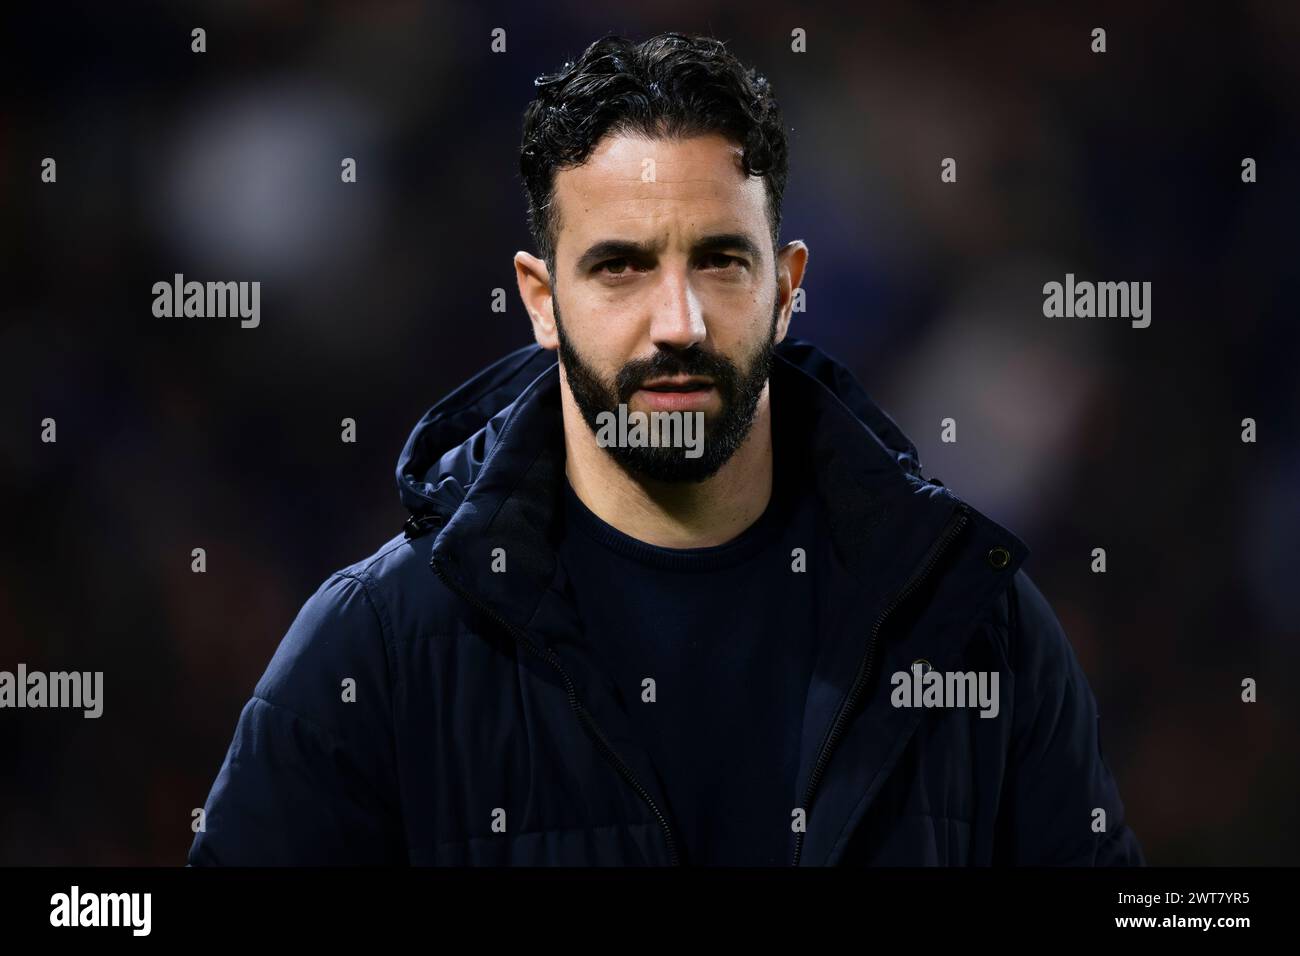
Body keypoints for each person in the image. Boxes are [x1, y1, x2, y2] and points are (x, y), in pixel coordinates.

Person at [188, 32, 1143, 866]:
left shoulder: (975, 623)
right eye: (620, 266)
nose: (677, 323)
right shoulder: (377, 649)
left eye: (720, 260)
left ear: (786, 287)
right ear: (540, 300)